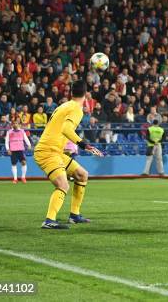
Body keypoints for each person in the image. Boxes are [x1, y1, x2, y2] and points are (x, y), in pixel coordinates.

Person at [34, 81, 104, 230]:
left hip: (55, 151)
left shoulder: (64, 105)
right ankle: (49, 220)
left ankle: (74, 215)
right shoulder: (76, 109)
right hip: (48, 152)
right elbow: (66, 129)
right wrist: (85, 145)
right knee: (63, 185)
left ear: (71, 92)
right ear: (85, 94)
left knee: (81, 174)